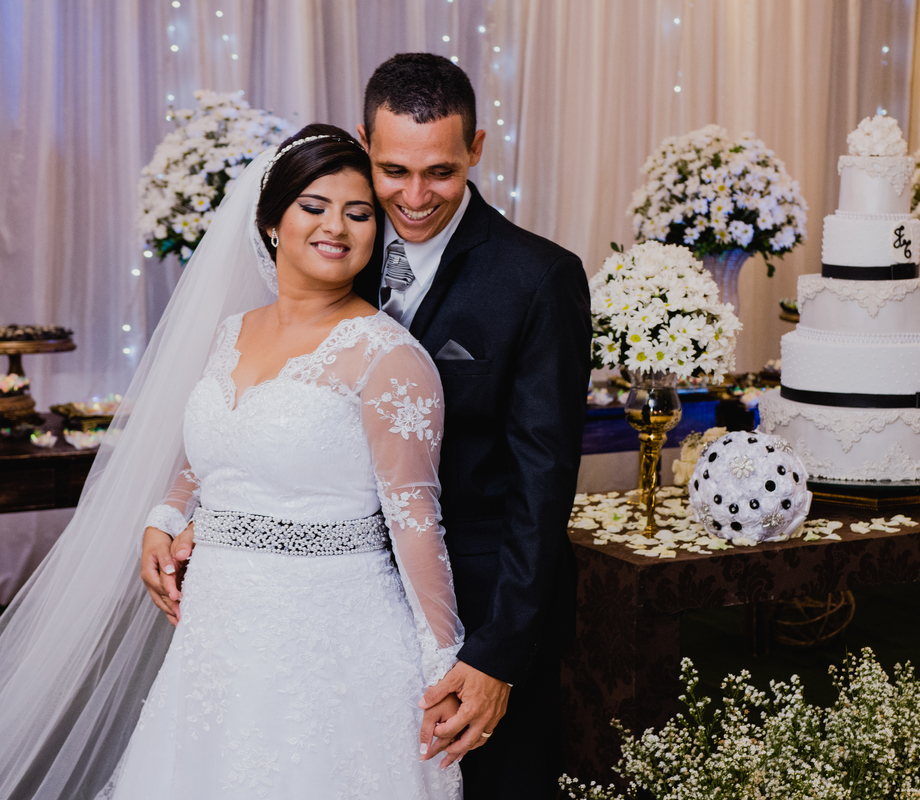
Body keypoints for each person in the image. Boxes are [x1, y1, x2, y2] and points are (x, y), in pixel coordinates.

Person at [150, 54, 592, 799]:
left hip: (478, 611)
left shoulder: (538, 278)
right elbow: (274, 419)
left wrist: (495, 656)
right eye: (393, 171)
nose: (415, 198)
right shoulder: (332, 240)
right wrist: (185, 515)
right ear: (365, 144)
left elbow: (542, 488)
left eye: (441, 172)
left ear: (476, 149)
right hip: (312, 614)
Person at [0, 125, 466, 800]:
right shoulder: (231, 333)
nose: (336, 227)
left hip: (330, 644)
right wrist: (165, 516)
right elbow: (213, 455)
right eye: (314, 206)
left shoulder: (388, 356)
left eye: (359, 213)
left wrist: (444, 663)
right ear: (271, 223)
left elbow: (416, 522)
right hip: (216, 638)